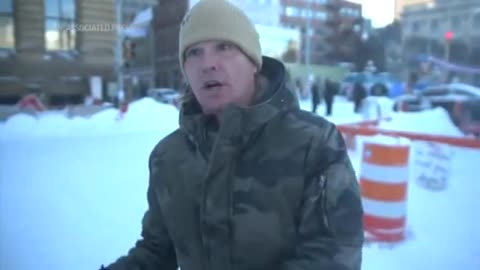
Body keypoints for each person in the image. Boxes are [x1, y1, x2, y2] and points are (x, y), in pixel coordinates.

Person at [102, 0, 363, 269]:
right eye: (194, 53)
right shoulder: (168, 157)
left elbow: (334, 257)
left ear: (253, 63)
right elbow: (156, 252)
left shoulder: (314, 143)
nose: (207, 64)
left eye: (224, 47)